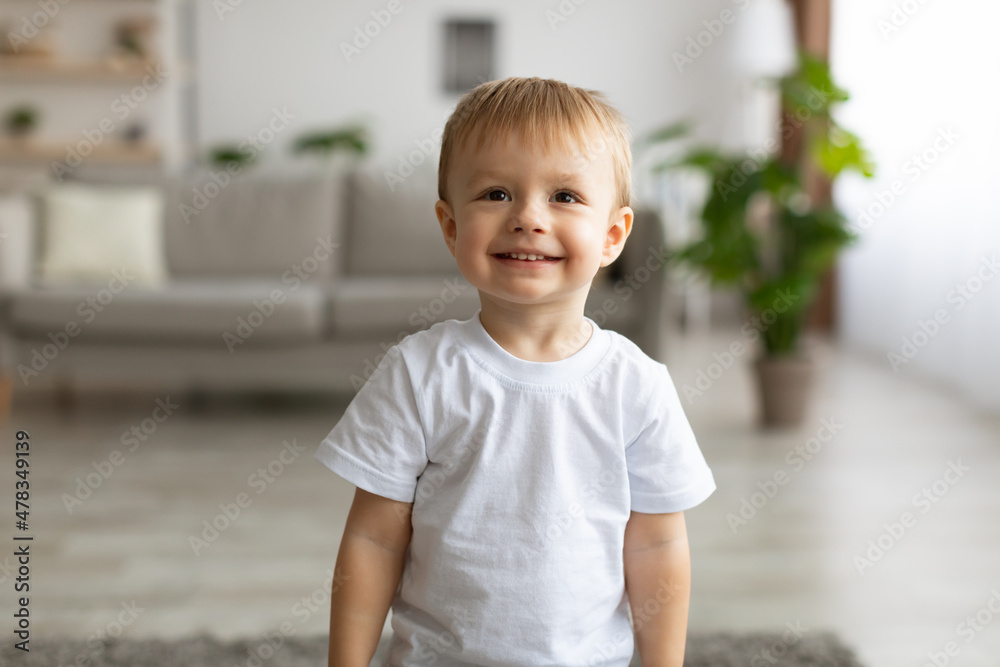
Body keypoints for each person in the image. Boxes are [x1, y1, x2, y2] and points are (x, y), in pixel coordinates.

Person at [313, 76, 715, 667]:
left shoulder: (638, 386)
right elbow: (373, 539)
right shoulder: (418, 374)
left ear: (612, 237)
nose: (529, 217)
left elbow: (657, 547)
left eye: (565, 196)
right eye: (497, 194)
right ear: (451, 228)